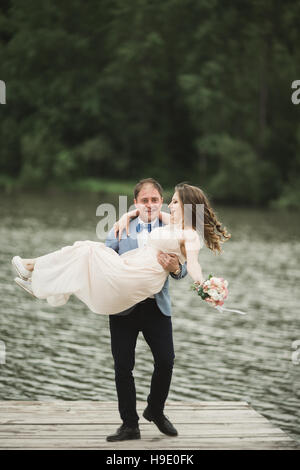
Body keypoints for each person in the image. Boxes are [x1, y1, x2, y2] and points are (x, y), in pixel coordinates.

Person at [12, 181, 230, 440]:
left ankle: (155, 410)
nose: (155, 205)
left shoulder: (181, 229)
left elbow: (188, 267)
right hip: (123, 298)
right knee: (122, 365)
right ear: (136, 202)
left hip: (152, 301)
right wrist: (127, 216)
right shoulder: (133, 224)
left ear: (173, 204)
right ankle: (129, 425)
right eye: (145, 200)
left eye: (162, 200)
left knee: (166, 361)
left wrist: (197, 282)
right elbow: (107, 252)